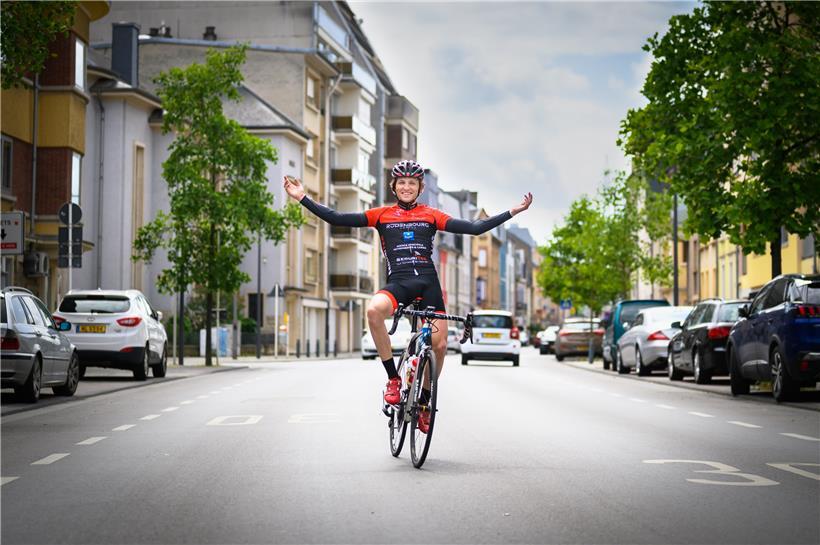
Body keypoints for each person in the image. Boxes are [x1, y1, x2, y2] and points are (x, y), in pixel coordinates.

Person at [284, 160, 532, 432]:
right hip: (399, 282)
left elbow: (474, 228)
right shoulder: (382, 215)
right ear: (394, 186)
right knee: (373, 310)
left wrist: (513, 211)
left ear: (419, 187)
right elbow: (337, 218)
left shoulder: (431, 214)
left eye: (412, 183)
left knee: (438, 347)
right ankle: (393, 379)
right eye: (401, 182)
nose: (406, 187)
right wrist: (302, 198)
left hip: (428, 284)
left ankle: (424, 402)